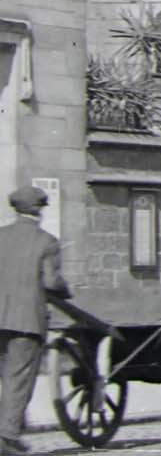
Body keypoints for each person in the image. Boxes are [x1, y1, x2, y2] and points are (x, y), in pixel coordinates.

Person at [1, 184, 70, 456]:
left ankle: (11, 427)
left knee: (7, 378)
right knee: (18, 379)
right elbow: (51, 282)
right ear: (39, 211)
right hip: (25, 322)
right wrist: (66, 290)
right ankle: (7, 438)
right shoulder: (47, 242)